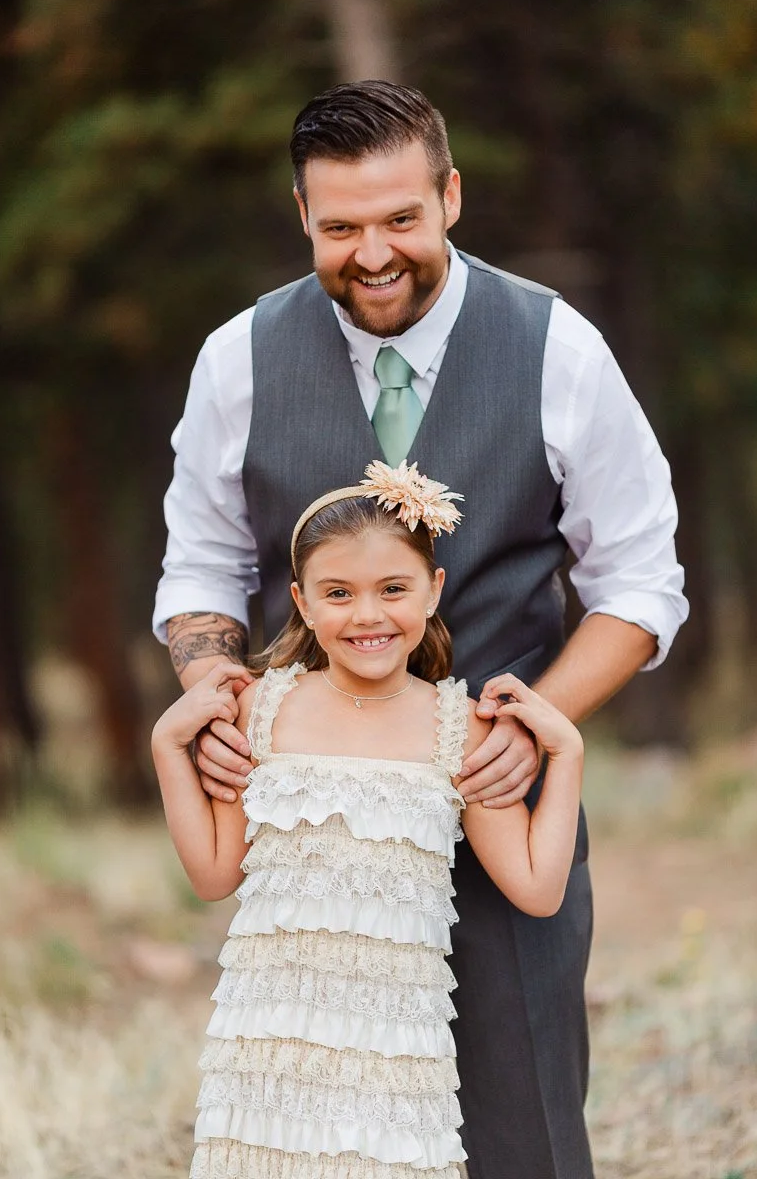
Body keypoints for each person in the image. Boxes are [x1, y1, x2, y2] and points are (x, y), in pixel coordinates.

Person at [153, 81, 688, 1178]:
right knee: (324, 1130)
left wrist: (536, 725)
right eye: (341, 226)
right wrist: (210, 690)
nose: (374, 253)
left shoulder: (557, 348)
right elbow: (202, 567)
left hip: (497, 795)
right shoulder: (236, 359)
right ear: (301, 215)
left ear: (450, 196)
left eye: (401, 218)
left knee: (523, 1133)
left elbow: (638, 583)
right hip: (321, 846)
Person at [152, 463, 585, 1179]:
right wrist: (168, 744)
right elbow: (211, 875)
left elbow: (538, 887)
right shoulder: (261, 709)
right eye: (338, 594)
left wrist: (563, 749)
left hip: (394, 1059)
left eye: (393, 589)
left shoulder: (460, 727)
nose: (368, 616)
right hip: (269, 1052)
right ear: (302, 601)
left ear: (433, 590)